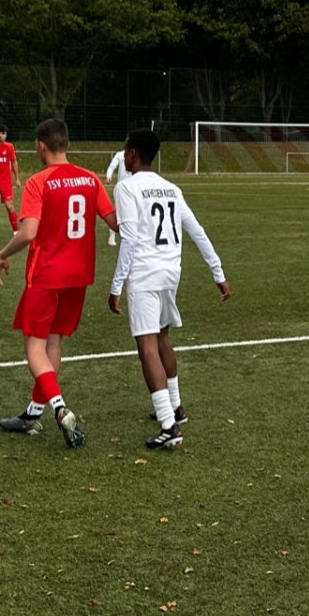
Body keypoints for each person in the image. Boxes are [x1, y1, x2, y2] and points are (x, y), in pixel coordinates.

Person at [0, 120, 118, 444]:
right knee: (53, 343)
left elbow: (28, 233)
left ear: (41, 146)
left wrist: (1, 255)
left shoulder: (38, 181)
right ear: (67, 144)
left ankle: (60, 409)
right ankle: (32, 415)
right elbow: (115, 222)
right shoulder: (90, 178)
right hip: (79, 276)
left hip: (47, 274)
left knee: (34, 346)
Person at [109, 130, 231, 450]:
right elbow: (197, 231)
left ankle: (168, 425)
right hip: (170, 273)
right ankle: (175, 407)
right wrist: (217, 271)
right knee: (162, 337)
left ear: (133, 154)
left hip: (145, 275)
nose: (124, 156)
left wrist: (116, 285)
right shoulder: (172, 189)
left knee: (147, 347)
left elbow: (129, 239)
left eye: (126, 151)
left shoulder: (126, 187)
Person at [104, 144, 128, 242]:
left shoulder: (138, 155)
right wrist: (108, 176)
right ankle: (111, 236)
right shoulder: (120, 155)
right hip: (121, 188)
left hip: (134, 187)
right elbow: (112, 166)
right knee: (117, 212)